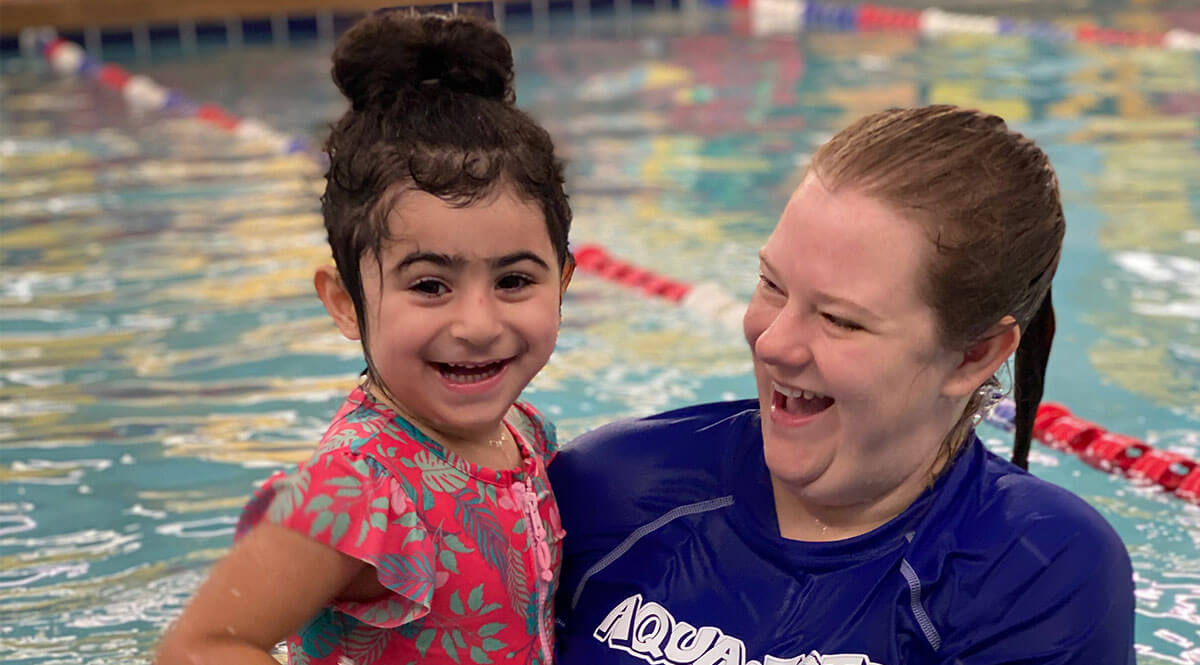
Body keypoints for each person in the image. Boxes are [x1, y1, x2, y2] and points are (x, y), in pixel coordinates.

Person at [550, 105, 1134, 664]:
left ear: (973, 355)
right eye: (771, 285)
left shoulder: (1035, 574)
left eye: (840, 319)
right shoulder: (611, 488)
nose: (772, 342)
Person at [156, 12, 574, 665]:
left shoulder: (527, 432)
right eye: (430, 285)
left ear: (564, 279)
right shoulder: (358, 491)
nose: (478, 323)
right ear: (347, 302)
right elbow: (199, 645)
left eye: (514, 279)